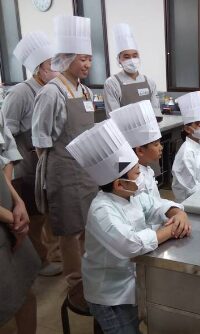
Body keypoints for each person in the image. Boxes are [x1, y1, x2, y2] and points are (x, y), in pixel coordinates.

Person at [66, 119, 191, 333]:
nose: (141, 177)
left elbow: (155, 205)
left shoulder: (130, 195)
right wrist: (169, 230)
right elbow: (129, 245)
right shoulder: (102, 211)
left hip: (130, 282)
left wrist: (178, 212)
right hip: (108, 294)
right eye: (136, 174)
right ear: (119, 183)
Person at [31, 15, 98, 288]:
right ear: (66, 57)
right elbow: (40, 139)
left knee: (88, 225)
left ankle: (91, 275)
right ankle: (75, 284)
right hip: (63, 170)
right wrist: (56, 168)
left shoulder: (85, 92)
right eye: (82, 59)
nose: (87, 64)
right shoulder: (51, 92)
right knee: (69, 230)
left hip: (86, 169)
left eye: (89, 59)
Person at [2, 31, 62, 276]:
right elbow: (7, 133)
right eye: (52, 65)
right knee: (34, 216)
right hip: (27, 166)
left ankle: (52, 252)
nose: (56, 68)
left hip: (48, 163)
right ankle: (40, 261)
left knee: (47, 211)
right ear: (38, 68)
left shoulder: (55, 88)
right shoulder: (20, 93)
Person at [110, 100, 187, 226]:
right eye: (156, 144)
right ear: (140, 150)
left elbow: (155, 204)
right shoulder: (135, 179)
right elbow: (143, 215)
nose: (161, 147)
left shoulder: (147, 170)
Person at [0, 113, 41, 334]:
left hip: (8, 211)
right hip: (7, 219)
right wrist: (11, 219)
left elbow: (3, 161)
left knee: (25, 290)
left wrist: (18, 201)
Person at [103, 23, 163, 121]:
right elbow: (113, 117)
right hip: (125, 134)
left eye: (135, 56)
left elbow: (155, 113)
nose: (132, 60)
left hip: (149, 132)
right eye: (126, 57)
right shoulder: (112, 83)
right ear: (119, 60)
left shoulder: (149, 82)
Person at [171, 91, 200, 202]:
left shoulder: (199, 145)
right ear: (187, 129)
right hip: (190, 203)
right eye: (199, 124)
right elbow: (191, 189)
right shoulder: (186, 153)